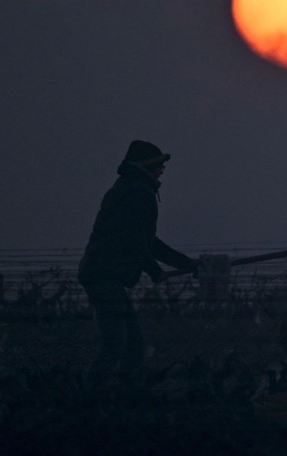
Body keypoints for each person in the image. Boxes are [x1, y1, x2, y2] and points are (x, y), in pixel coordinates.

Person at [78, 140, 199, 385]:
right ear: (146, 167)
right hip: (104, 276)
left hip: (103, 275)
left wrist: (185, 263)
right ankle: (90, 401)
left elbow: (145, 240)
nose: (161, 172)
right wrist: (156, 270)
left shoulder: (128, 187)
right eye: (159, 167)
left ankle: (115, 399)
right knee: (117, 346)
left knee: (132, 348)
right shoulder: (138, 192)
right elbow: (134, 239)